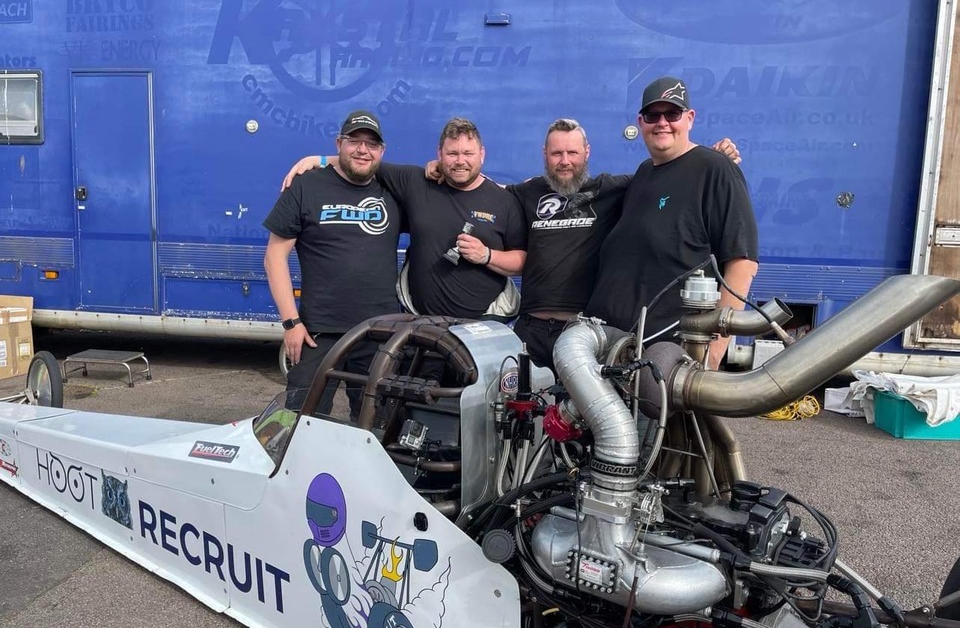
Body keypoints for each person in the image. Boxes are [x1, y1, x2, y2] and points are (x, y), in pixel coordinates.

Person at [423, 119, 739, 373]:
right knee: (514, 412)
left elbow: (666, 177)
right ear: (545, 154)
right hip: (530, 329)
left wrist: (710, 159)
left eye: (572, 153)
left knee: (576, 418)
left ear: (586, 152)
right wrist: (442, 168)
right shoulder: (527, 193)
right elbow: (481, 187)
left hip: (581, 330)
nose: (565, 162)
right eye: (556, 154)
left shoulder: (611, 189)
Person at [584, 76, 759, 370]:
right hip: (616, 353)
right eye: (653, 115)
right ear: (640, 122)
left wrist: (712, 352)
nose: (662, 123)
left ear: (690, 118)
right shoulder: (644, 173)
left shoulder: (715, 169)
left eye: (672, 114)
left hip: (667, 360)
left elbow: (742, 262)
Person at [283, 118, 527, 321]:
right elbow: (365, 162)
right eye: (452, 153)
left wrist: (486, 255)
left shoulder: (503, 200)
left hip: (483, 324)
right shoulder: (415, 181)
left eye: (468, 153)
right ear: (439, 154)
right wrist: (320, 160)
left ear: (481, 154)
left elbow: (522, 261)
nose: (460, 161)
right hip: (420, 324)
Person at [263, 109, 401, 418]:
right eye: (354, 141)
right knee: (301, 421)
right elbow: (274, 257)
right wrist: (291, 323)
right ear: (339, 144)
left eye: (371, 144)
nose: (363, 150)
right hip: (317, 333)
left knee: (376, 425)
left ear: (382, 151)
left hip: (379, 332)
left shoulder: (394, 189)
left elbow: (441, 180)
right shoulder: (306, 186)